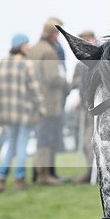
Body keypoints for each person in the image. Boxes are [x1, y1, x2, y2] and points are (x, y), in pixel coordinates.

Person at [0, 34, 45, 192]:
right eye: (27, 44)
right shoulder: (26, 64)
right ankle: (19, 179)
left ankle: (0, 179)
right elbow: (35, 89)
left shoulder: (2, 63)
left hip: (7, 112)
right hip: (24, 112)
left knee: (10, 144)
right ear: (20, 46)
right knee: (22, 145)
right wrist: (41, 108)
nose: (29, 47)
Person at [28, 17, 68, 185]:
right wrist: (66, 82)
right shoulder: (50, 52)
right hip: (50, 102)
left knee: (41, 137)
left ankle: (39, 174)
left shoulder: (33, 50)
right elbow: (52, 78)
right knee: (47, 139)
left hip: (35, 100)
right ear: (53, 34)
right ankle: (44, 176)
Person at [69, 30, 98, 183]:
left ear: (94, 40)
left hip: (98, 107)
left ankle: (97, 173)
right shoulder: (80, 64)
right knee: (86, 140)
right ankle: (89, 171)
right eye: (83, 40)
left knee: (95, 139)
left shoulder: (101, 58)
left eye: (87, 39)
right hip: (84, 107)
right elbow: (73, 83)